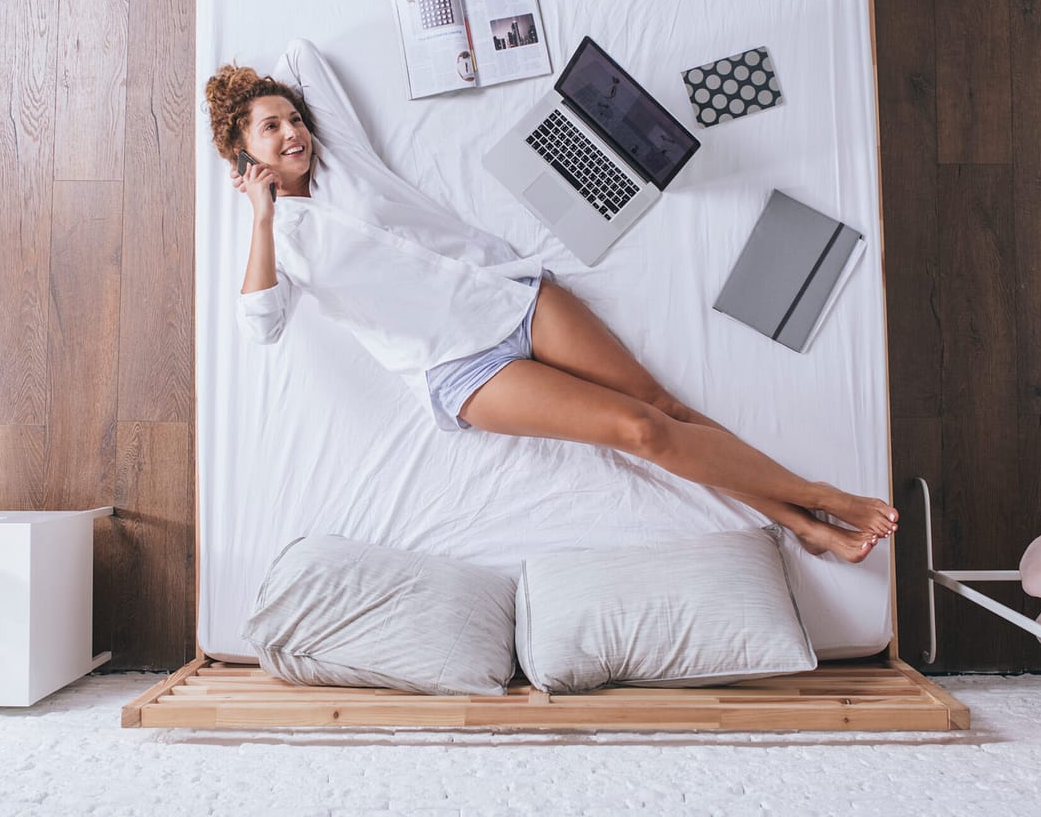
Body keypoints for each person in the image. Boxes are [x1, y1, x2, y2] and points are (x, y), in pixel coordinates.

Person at [206, 39, 897, 563]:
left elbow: (302, 53)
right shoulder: (280, 245)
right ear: (240, 156)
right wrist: (262, 213)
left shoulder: (340, 158)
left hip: (512, 294)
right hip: (463, 370)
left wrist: (254, 94)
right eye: (269, 128)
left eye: (292, 118)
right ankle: (817, 499)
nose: (291, 132)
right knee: (640, 432)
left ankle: (805, 527)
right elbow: (261, 324)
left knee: (667, 409)